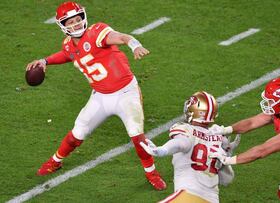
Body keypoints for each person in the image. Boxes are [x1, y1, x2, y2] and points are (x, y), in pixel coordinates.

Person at [26, 1, 166, 190]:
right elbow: (68, 54)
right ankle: (55, 161)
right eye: (70, 22)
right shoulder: (68, 44)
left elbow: (121, 37)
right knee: (77, 134)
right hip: (100, 95)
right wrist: (45, 61)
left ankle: (152, 173)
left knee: (137, 136)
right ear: (62, 25)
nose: (75, 24)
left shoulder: (96, 32)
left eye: (78, 19)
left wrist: (134, 44)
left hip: (126, 93)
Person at [140, 91, 239, 203]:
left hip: (188, 196)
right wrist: (226, 158)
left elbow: (182, 143)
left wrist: (164, 150)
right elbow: (226, 180)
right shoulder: (219, 138)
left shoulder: (187, 130)